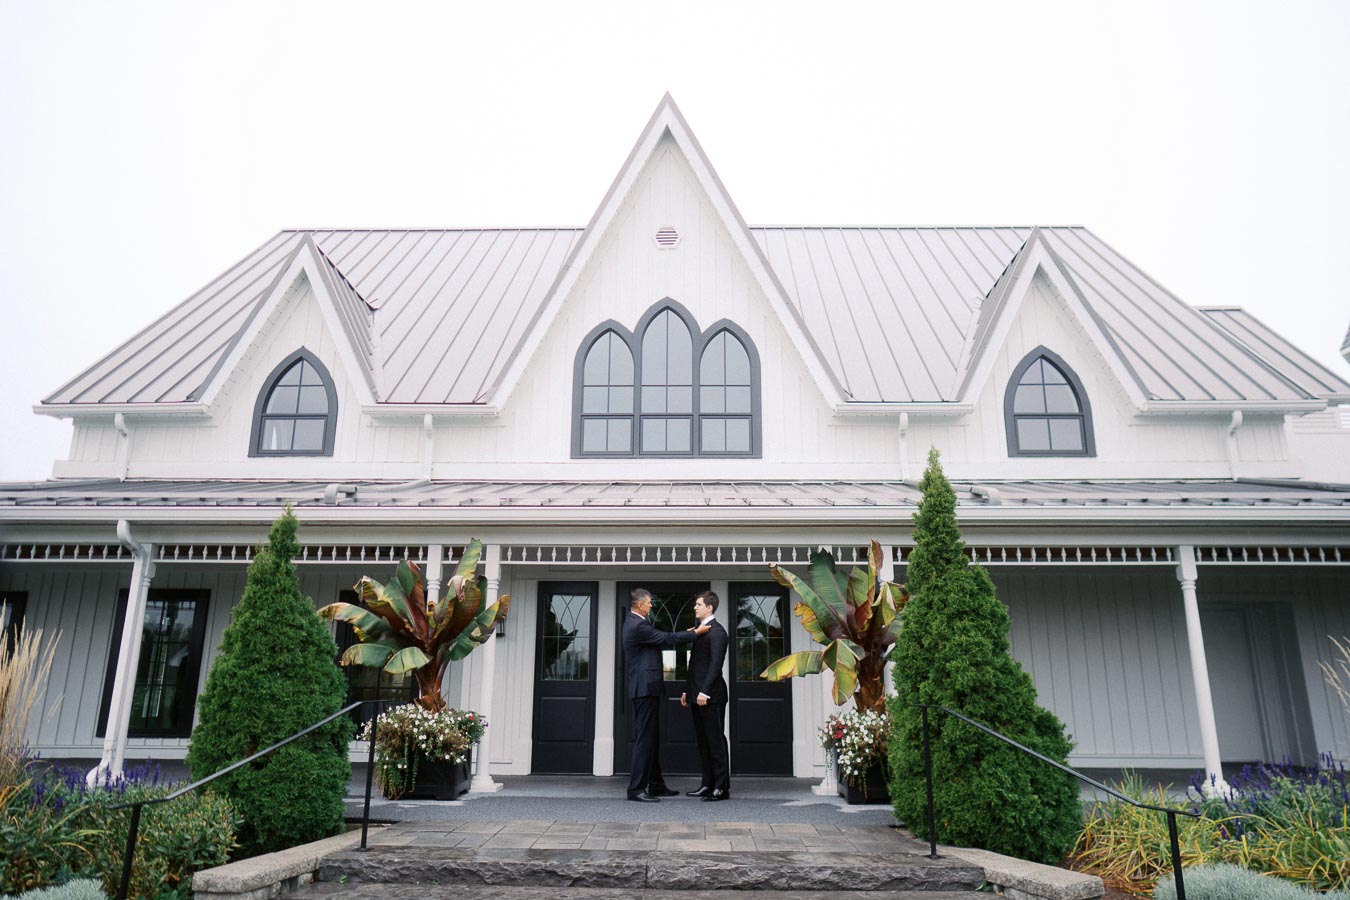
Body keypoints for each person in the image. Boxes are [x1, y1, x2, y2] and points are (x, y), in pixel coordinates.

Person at [623, 587, 708, 802]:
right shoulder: (638, 625)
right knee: (645, 739)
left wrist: (688, 633)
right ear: (640, 604)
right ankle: (636, 789)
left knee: (651, 737)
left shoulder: (636, 624)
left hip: (646, 688)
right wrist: (694, 634)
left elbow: (662, 638)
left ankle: (656, 784)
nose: (651, 605)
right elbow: (666, 638)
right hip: (644, 689)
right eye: (649, 602)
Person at [681, 590, 730, 801]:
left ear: (709, 607)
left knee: (716, 742)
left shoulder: (718, 632)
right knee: (703, 742)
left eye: (698, 604)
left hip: (712, 697)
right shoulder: (701, 631)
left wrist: (704, 691)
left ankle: (721, 787)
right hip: (696, 695)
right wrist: (688, 690)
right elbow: (695, 665)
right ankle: (707, 784)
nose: (695, 607)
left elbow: (715, 666)